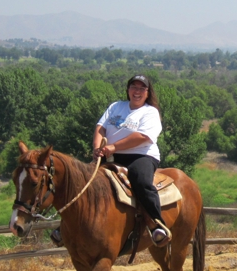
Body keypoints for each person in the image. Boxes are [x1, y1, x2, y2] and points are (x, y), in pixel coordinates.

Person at [51, 74, 169, 247]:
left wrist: (113, 147)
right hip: (111, 155)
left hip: (141, 155)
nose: (137, 91)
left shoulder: (150, 112)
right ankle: (65, 226)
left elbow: (142, 137)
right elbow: (101, 127)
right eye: (133, 87)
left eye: (141, 88)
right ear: (128, 90)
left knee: (140, 180)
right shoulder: (116, 106)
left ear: (147, 92)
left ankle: (156, 224)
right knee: (85, 182)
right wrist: (97, 148)